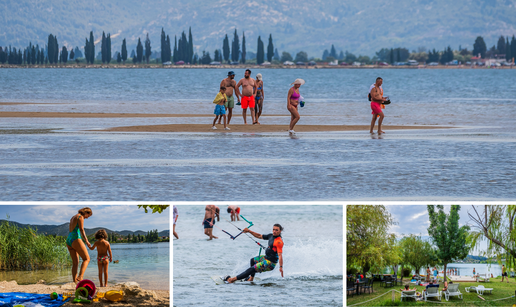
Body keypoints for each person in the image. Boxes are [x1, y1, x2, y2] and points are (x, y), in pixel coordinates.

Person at [66, 207, 92, 284]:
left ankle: (74, 281)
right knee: (87, 259)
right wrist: (87, 241)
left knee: (75, 263)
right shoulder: (80, 217)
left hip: (69, 240)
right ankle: (80, 276)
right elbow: (81, 230)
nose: (87, 218)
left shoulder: (73, 217)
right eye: (88, 216)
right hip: (76, 238)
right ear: (86, 213)